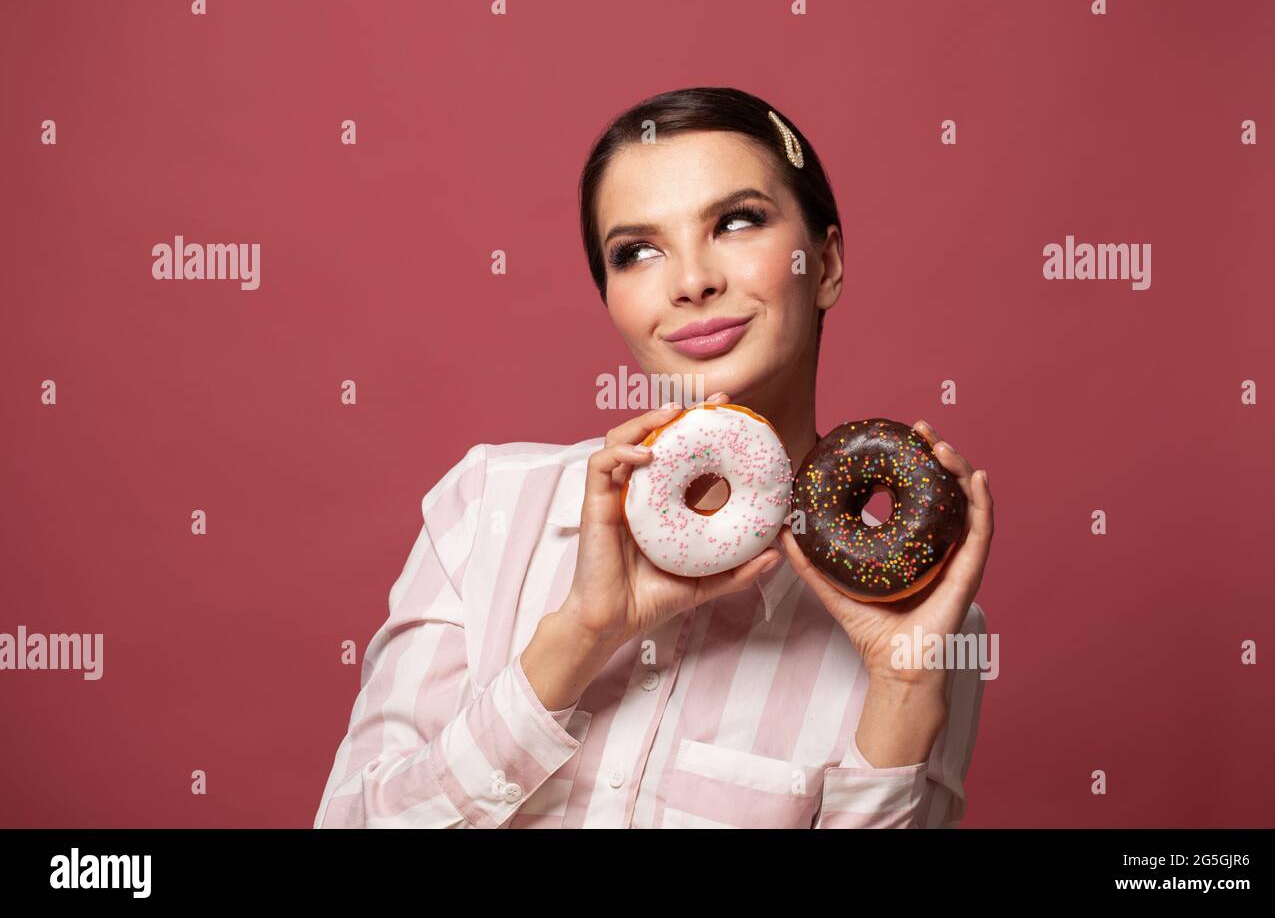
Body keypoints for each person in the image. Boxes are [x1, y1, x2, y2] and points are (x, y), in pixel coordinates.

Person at [313, 87, 995, 829]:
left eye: (736, 222)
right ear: (611, 296)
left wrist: (900, 695)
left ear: (824, 263)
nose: (691, 281)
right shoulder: (487, 508)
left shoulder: (925, 622)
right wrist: (579, 636)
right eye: (637, 251)